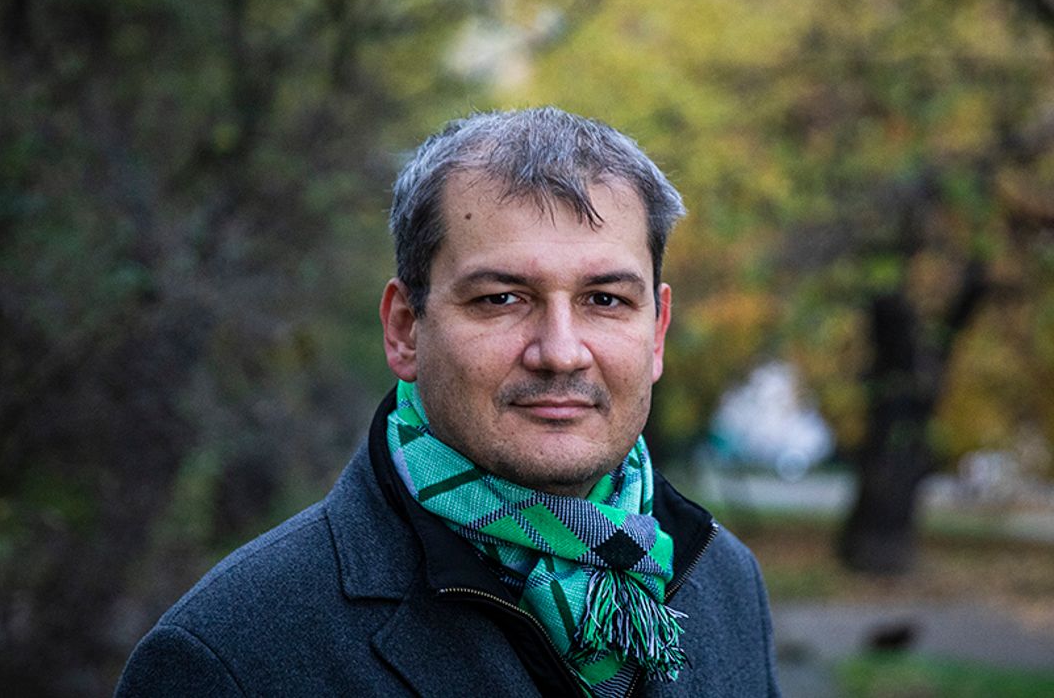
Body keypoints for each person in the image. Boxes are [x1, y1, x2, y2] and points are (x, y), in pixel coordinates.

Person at [116, 107, 781, 696]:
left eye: (604, 299)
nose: (560, 352)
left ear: (656, 332)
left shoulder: (724, 581)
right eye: (501, 299)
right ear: (405, 328)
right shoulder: (229, 655)